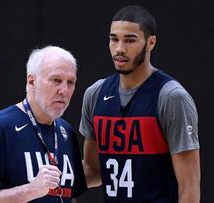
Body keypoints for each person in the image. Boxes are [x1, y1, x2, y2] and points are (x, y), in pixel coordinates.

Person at [80, 5, 200, 203]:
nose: (119, 48)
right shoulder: (95, 94)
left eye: (130, 40)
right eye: (114, 39)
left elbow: (189, 187)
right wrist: (50, 183)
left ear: (151, 42)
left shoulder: (171, 97)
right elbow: (94, 171)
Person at [0, 46, 87, 202]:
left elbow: (71, 196)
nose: (64, 90)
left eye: (70, 82)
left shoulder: (67, 132)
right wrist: (32, 190)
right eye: (56, 80)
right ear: (31, 81)